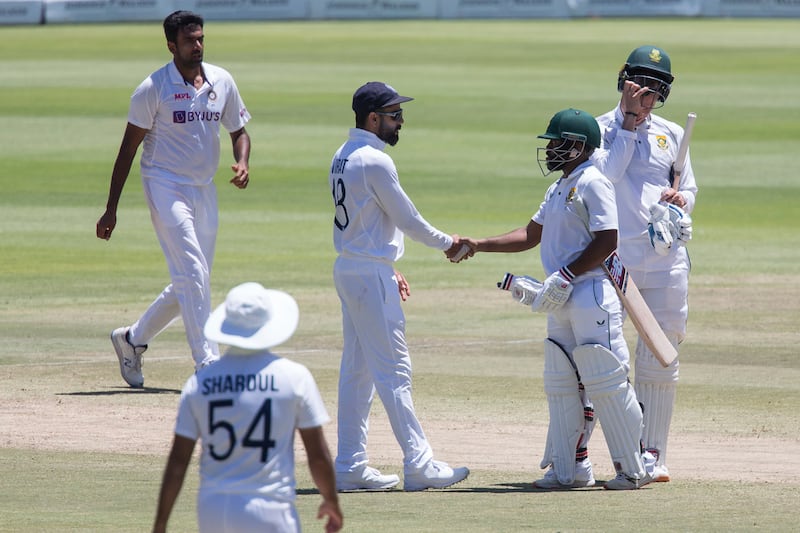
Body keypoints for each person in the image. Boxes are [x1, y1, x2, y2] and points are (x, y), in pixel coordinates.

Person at [457, 109, 653, 490]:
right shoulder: (560, 186)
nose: (549, 150)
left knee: (606, 382)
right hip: (559, 295)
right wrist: (478, 244)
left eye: (556, 142)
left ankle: (635, 469)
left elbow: (607, 240)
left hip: (591, 293)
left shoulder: (594, 182)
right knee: (563, 383)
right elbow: (530, 236)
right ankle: (571, 469)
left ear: (578, 146)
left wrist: (566, 274)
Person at [96, 10, 251, 387]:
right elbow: (127, 149)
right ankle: (206, 363)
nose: (197, 45)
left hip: (204, 188)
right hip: (164, 184)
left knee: (192, 279)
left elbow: (239, 130)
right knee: (193, 273)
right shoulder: (153, 88)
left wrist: (242, 161)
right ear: (171, 45)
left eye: (200, 38)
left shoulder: (221, 80)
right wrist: (111, 208)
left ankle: (132, 339)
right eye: (188, 40)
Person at [328, 81, 470, 492]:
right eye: (394, 115)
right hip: (368, 274)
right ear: (373, 119)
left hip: (355, 267)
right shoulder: (374, 160)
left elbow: (367, 221)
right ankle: (419, 463)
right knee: (395, 370)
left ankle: (350, 465)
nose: (400, 122)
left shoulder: (343, 154)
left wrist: (387, 262)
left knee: (358, 373)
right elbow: (407, 219)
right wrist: (450, 244)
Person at [152, 282, 343, 533]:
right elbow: (317, 456)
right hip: (272, 509)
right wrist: (331, 500)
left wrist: (161, 523)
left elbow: (178, 461)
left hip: (214, 509)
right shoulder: (295, 377)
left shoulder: (200, 382)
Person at [591, 45, 697, 483]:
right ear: (624, 82)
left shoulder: (673, 133)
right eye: (642, 86)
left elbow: (690, 189)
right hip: (614, 263)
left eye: (656, 90)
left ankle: (654, 456)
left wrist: (680, 201)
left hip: (665, 262)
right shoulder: (597, 130)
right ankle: (607, 454)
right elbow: (607, 178)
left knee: (661, 358)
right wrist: (630, 125)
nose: (648, 96)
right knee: (607, 360)